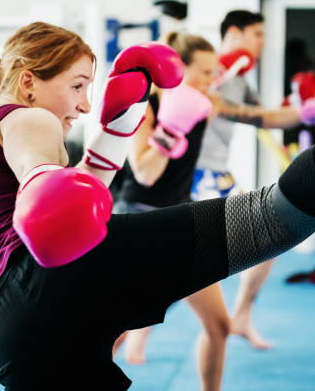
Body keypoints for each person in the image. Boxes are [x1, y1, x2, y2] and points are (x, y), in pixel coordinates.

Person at [0, 21, 315, 390]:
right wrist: (46, 178)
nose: (85, 104)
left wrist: (113, 136)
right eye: (77, 85)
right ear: (29, 83)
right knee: (267, 218)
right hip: (42, 277)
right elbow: (39, 175)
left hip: (9, 333)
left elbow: (71, 216)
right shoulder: (26, 119)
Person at [192, 10, 315, 349]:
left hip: (217, 175)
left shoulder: (241, 80)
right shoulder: (202, 69)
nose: (262, 44)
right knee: (177, 265)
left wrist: (312, 108)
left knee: (267, 237)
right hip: (191, 177)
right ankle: (129, 337)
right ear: (235, 32)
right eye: (256, 34)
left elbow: (266, 118)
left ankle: (240, 315)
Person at [111, 31, 229, 390]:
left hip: (180, 218)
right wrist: (171, 128)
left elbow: (259, 116)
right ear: (178, 71)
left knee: (219, 325)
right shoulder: (147, 107)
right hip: (138, 219)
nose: (211, 81)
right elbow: (145, 172)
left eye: (214, 73)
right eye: (204, 72)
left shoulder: (206, 103)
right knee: (112, 333)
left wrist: (308, 110)